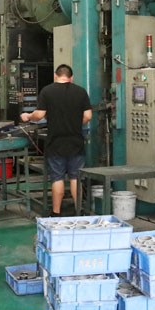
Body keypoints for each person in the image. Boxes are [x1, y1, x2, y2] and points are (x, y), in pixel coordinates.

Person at [21, 64, 92, 217]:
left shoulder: (47, 91)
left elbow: (39, 115)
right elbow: (88, 116)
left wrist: (28, 116)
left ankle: (56, 213)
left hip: (55, 143)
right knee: (75, 178)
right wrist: (74, 123)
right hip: (75, 142)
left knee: (57, 178)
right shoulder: (81, 92)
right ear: (71, 78)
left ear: (55, 76)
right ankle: (79, 212)